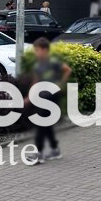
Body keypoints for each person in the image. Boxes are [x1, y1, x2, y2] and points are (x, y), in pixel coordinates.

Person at [25, 36, 71, 164]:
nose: (36, 53)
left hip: (52, 96)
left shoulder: (53, 62)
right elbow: (36, 81)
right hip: (42, 96)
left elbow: (67, 70)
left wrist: (60, 84)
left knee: (42, 122)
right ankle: (55, 149)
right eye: (35, 50)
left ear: (45, 50)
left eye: (37, 50)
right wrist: (29, 97)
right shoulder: (37, 65)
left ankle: (39, 153)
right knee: (46, 124)